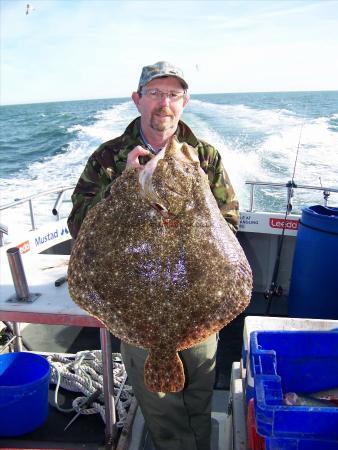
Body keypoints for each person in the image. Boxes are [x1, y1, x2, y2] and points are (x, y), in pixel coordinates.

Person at [68, 61, 239, 450]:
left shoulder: (206, 157)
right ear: (137, 100)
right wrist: (124, 188)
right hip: (136, 303)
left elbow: (229, 222)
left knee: (197, 395)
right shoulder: (108, 158)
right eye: (155, 93)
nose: (165, 103)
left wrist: (195, 204)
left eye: (174, 94)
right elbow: (78, 226)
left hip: (197, 299)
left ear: (185, 102)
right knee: (161, 410)